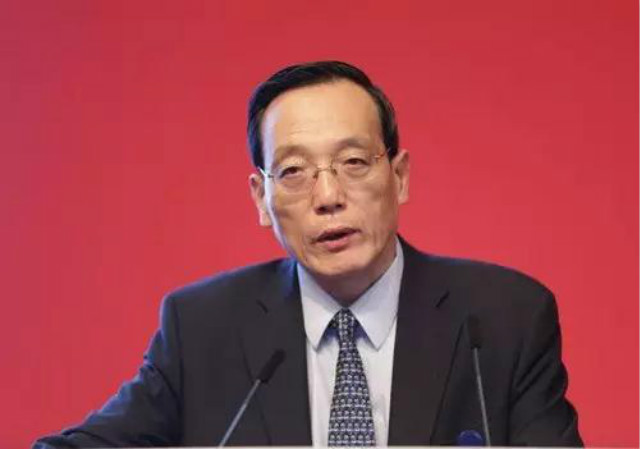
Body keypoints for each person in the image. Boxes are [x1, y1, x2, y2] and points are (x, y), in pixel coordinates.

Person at [35, 61, 582, 448]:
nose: (328, 197)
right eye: (294, 171)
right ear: (261, 199)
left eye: (354, 163)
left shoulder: (503, 320)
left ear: (399, 177)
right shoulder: (202, 329)